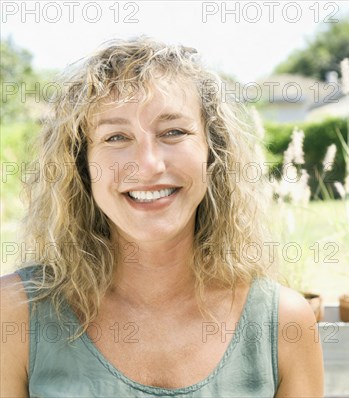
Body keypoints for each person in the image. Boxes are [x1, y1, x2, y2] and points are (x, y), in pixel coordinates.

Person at [0, 38, 324, 397]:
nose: (148, 164)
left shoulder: (283, 323)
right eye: (116, 137)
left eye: (173, 132)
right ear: (83, 164)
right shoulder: (15, 314)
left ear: (212, 154)